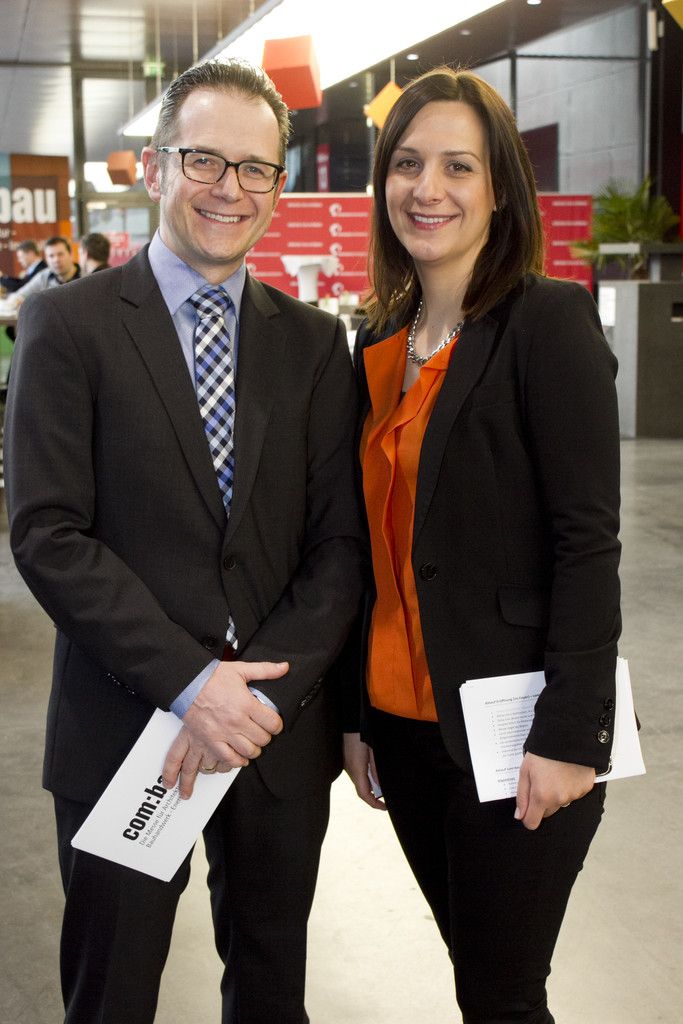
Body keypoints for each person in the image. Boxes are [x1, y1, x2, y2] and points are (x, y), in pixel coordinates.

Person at [5, 58, 364, 1024]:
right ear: (156, 169)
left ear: (278, 190)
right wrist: (190, 683)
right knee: (112, 996)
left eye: (255, 169)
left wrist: (260, 700)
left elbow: (339, 545)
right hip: (128, 733)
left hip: (272, 741)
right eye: (205, 159)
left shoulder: (312, 343)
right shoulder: (68, 325)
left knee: (270, 993)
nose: (229, 189)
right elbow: (49, 533)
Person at [343, 67, 621, 1024]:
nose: (429, 188)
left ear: (499, 187)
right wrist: (355, 712)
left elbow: (587, 541)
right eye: (408, 163)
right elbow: (367, 546)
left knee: (501, 994)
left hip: (516, 732)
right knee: (480, 979)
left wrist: (567, 733)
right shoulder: (382, 335)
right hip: (405, 727)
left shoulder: (547, 322)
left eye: (457, 165)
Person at [11, 235, 80, 304]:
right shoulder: (43, 277)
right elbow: (17, 296)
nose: (56, 260)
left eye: (60, 254)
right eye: (51, 256)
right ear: (46, 259)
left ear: (71, 254)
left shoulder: (86, 275)